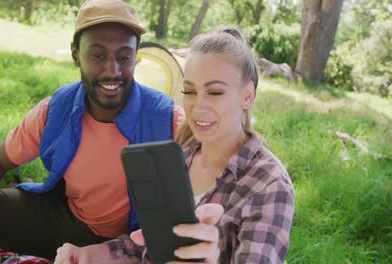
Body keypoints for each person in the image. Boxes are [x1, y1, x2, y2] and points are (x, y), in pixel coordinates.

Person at [0, 0, 184, 260]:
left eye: (124, 56)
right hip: (63, 215)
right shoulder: (56, 109)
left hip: (123, 245)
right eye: (98, 55)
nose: (113, 70)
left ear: (136, 57)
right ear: (76, 54)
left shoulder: (168, 120)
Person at [54, 26, 295, 264]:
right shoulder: (180, 156)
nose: (197, 107)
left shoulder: (269, 184)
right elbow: (146, 245)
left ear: (247, 96)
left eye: (215, 92)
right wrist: (86, 255)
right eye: (189, 91)